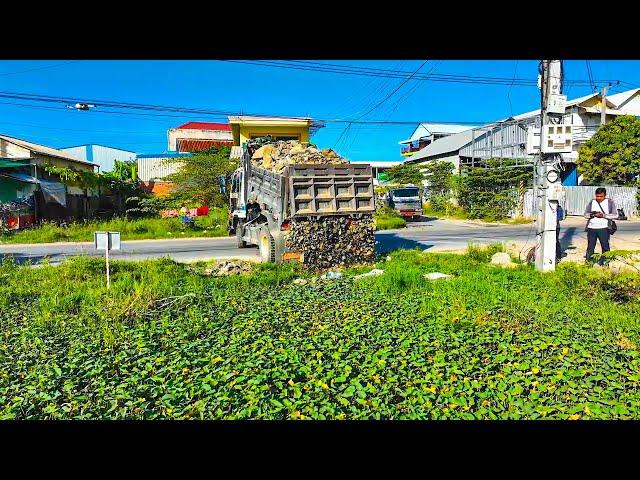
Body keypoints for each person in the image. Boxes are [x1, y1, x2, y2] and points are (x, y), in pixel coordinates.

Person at [584, 187, 618, 266]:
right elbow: (585, 214)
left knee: (605, 246)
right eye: (597, 196)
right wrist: (592, 214)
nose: (599, 198)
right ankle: (589, 263)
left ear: (605, 196)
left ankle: (605, 263)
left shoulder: (610, 202)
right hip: (591, 228)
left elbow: (615, 215)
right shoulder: (592, 202)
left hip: (604, 228)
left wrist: (603, 215)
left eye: (601, 196)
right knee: (590, 247)